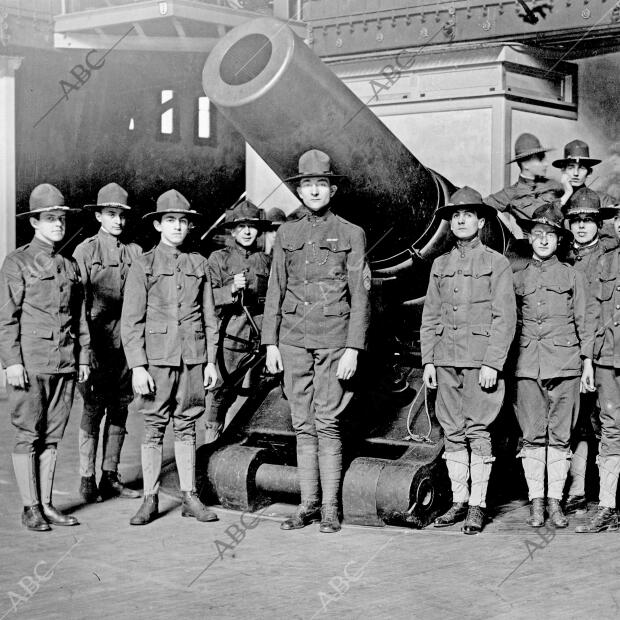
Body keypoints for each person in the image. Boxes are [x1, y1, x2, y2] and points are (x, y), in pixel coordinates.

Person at [262, 149, 370, 533]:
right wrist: (270, 342)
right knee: (301, 422)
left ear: (332, 189)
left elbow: (360, 294)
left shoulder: (351, 233)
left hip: (333, 341)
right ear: (299, 190)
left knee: (327, 422)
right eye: (307, 185)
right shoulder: (286, 233)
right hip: (292, 341)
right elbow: (276, 288)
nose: (314, 191)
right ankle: (307, 504)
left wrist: (353, 348)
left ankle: (329, 508)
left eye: (320, 184)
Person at [421, 187, 516, 534]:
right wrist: (428, 361)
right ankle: (459, 502)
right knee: (452, 430)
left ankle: (478, 505)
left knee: (478, 431)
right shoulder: (440, 265)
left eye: (468, 215)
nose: (461, 220)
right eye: (455, 216)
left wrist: (493, 363)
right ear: (450, 223)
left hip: (480, 362)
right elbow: (430, 316)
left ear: (480, 220)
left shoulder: (496, 263)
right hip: (445, 359)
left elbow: (504, 318)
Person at [121, 189, 219, 525]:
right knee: (153, 427)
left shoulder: (199, 264)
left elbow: (209, 318)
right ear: (159, 225)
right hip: (156, 362)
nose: (177, 227)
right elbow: (130, 320)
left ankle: (190, 495)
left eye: (183, 221)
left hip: (192, 358)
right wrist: (137, 366)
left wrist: (210, 361)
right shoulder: (143, 264)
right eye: (171, 221)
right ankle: (149, 498)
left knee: (187, 424)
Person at [0, 184, 90, 531]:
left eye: (61, 219)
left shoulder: (68, 266)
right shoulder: (18, 262)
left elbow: (79, 317)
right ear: (35, 222)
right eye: (50, 219)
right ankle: (29, 506)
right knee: (28, 434)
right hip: (31, 363)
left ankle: (47, 504)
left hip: (64, 363)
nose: (58, 225)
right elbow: (6, 317)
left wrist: (82, 359)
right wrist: (13, 363)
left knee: (53, 435)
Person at [513, 203, 595, 529]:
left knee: (561, 437)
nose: (543, 240)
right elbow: (508, 322)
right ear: (529, 237)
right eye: (538, 234)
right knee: (532, 436)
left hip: (566, 364)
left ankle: (555, 503)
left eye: (550, 235)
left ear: (560, 239)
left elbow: (585, 322)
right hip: (526, 365)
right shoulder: (517, 278)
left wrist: (587, 362)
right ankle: (536, 504)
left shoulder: (573, 276)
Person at [73, 183, 142, 503]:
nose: (117, 221)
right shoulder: (86, 251)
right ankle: (87, 478)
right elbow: (79, 305)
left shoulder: (135, 252)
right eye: (111, 214)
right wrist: (85, 352)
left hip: (125, 345)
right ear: (99, 215)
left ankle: (109, 476)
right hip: (96, 343)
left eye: (122, 215)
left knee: (120, 408)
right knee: (92, 408)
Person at [563, 188, 615, 512]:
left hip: (603, 352)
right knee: (576, 423)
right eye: (576, 220)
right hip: (570, 352)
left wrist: (593, 356)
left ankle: (608, 497)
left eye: (589, 220)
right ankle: (578, 490)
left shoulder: (609, 257)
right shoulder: (563, 257)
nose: (582, 226)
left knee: (607, 422)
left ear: (599, 223)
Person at [204, 201, 271, 443]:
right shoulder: (218, 259)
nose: (247, 231)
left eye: (252, 226)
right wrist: (230, 288)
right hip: (232, 333)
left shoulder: (266, 261)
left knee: (262, 392)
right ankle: (211, 445)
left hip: (261, 334)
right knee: (221, 393)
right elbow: (207, 298)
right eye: (242, 226)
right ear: (233, 231)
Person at [576, 203, 620, 533]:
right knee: (611, 429)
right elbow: (591, 315)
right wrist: (588, 360)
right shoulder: (603, 261)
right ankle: (608, 506)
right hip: (607, 358)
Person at [486, 133, 563, 238]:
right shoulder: (511, 192)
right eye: (540, 159)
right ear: (525, 164)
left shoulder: (555, 185)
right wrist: (504, 222)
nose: (546, 163)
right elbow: (481, 205)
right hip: (532, 247)